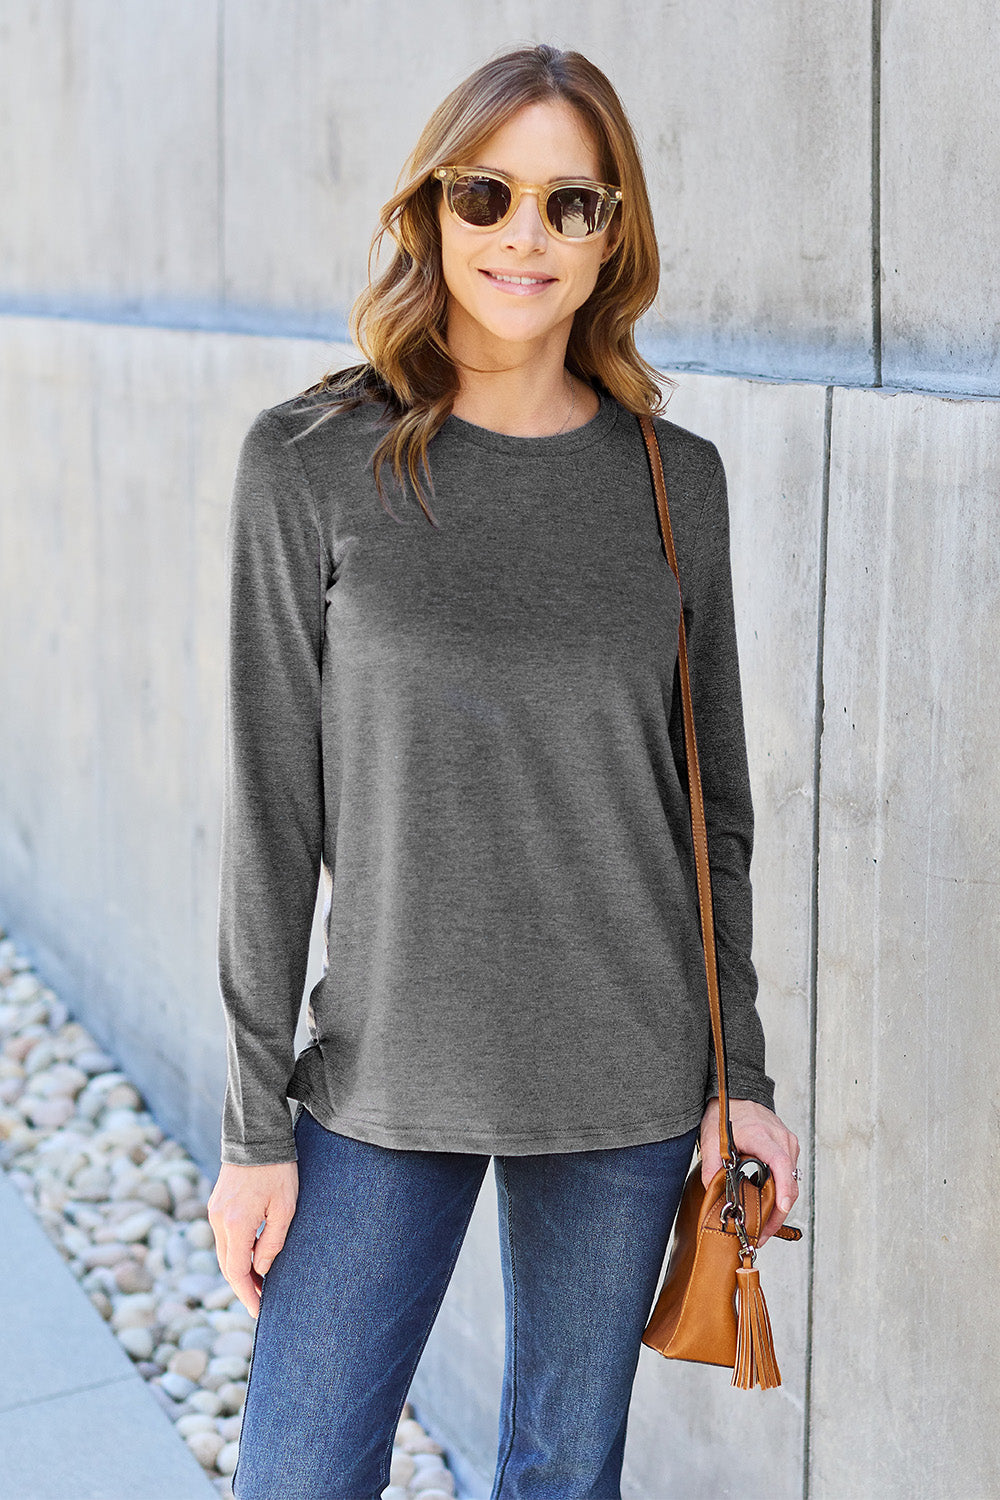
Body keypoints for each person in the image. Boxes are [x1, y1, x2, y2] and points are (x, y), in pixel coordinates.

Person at [207, 42, 800, 1500]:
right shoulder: (308, 462)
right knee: (295, 1473)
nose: (524, 234)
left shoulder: (678, 482)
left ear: (615, 235)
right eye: (487, 194)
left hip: (627, 1078)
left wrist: (745, 1076)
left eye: (568, 202)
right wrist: (250, 1128)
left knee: (561, 1472)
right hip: (383, 1078)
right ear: (433, 213)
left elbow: (708, 807)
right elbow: (272, 816)